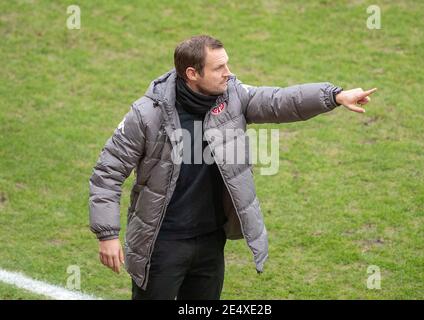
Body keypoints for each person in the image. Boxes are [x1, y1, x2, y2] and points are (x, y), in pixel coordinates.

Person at [89, 35, 376, 300]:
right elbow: (108, 172)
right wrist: (108, 234)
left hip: (211, 241)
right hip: (162, 243)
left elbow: (280, 101)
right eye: (219, 68)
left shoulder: (233, 96)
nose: (228, 72)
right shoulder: (147, 114)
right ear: (192, 74)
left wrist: (334, 96)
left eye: (227, 64)